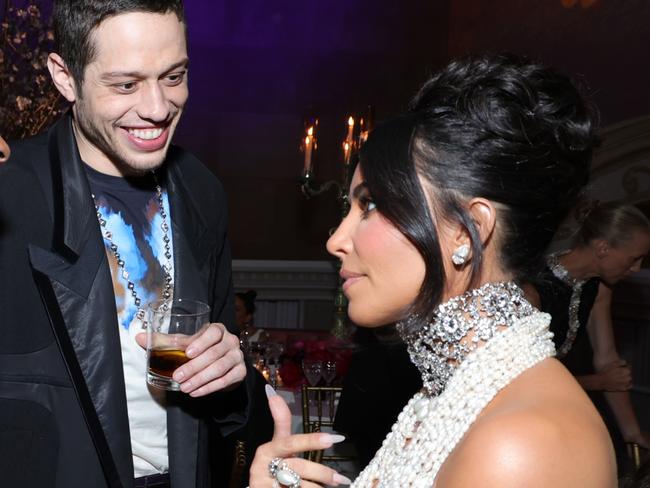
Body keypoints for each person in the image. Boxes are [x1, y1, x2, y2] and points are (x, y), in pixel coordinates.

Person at [249, 54, 617, 487]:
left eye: (370, 204)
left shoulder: (520, 445)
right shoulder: (448, 391)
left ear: (467, 231)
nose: (336, 240)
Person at [0, 2, 250, 487]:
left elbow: (227, 407)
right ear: (65, 77)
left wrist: (228, 369)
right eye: (125, 84)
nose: (157, 108)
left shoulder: (201, 191)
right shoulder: (13, 194)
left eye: (173, 77)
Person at [527, 203, 650, 472]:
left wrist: (633, 433)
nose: (637, 268)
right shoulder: (533, 289)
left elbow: (607, 361)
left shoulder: (599, 287)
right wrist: (598, 382)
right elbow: (522, 381)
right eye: (633, 259)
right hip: (523, 413)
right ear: (603, 248)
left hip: (563, 402)